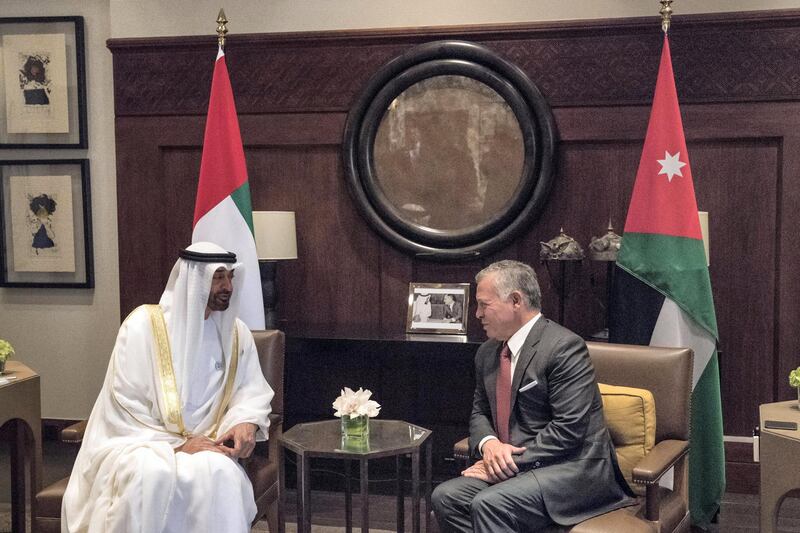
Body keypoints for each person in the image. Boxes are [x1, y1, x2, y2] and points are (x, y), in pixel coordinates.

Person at [62, 242, 275, 533]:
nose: (227, 286)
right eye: (218, 277)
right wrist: (177, 445)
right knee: (149, 475)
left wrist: (245, 422)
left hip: (209, 446)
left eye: (230, 277)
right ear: (194, 279)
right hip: (139, 445)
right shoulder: (142, 327)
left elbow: (250, 391)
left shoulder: (236, 334)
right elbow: (125, 405)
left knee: (222, 474)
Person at [432, 260, 633, 532]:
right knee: (446, 497)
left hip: (570, 469)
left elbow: (568, 429)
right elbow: (480, 412)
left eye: (484, 304)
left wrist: (507, 461)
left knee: (491, 504)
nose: (477, 313)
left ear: (516, 300)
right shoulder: (487, 354)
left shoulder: (564, 348)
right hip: (517, 468)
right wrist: (489, 446)